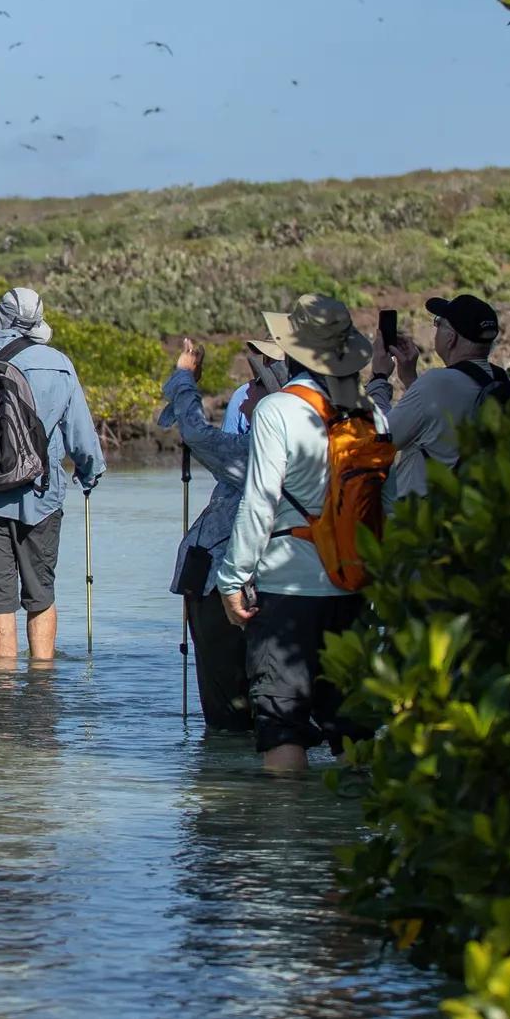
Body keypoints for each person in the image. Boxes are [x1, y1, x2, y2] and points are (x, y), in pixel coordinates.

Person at [215, 294, 370, 773]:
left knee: (282, 725)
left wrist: (232, 578)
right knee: (355, 728)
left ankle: (287, 838)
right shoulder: (369, 413)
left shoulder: (277, 409)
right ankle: (355, 837)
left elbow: (259, 501)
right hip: (355, 585)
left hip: (290, 588)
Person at [0, 285, 106, 665]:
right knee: (40, 595)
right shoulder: (59, 363)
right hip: (42, 497)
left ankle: (3, 697)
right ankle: (42, 687)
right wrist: (89, 476)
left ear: (1, 319)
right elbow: (83, 439)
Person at [155, 335, 285, 731]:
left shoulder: (255, 452)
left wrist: (184, 379)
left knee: (227, 714)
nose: (243, 399)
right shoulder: (309, 439)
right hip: (270, 587)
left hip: (224, 588)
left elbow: (195, 434)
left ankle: (225, 783)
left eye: (256, 388)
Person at [367, 294, 510, 502]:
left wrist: (379, 377)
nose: (435, 330)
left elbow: (379, 440)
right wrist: (411, 379)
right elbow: (436, 423)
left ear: (451, 338)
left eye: (438, 324)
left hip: (422, 522)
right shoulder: (501, 381)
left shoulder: (437, 383)